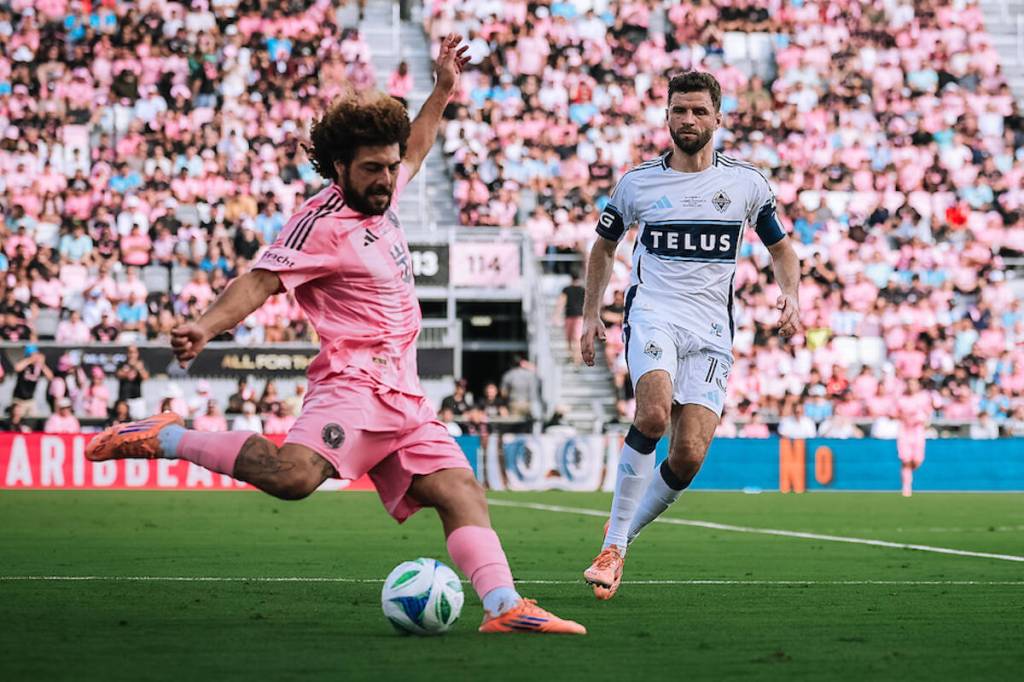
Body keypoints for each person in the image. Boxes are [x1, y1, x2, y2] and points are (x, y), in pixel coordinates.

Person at [85, 35, 583, 636]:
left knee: (460, 490)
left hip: (404, 392)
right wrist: (204, 325)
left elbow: (419, 143)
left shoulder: (387, 186)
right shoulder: (318, 223)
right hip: (352, 383)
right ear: (339, 166)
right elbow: (261, 280)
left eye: (390, 166)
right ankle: (167, 438)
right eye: (372, 168)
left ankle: (504, 607)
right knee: (293, 479)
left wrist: (444, 90)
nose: (386, 178)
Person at [579, 72, 802, 600]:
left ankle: (618, 543)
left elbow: (781, 249)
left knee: (688, 456)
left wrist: (792, 293)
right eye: (679, 111)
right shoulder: (637, 184)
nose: (688, 120)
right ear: (667, 117)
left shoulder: (747, 184)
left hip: (711, 331)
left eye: (699, 111)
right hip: (654, 313)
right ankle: (612, 543)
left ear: (718, 118)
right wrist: (591, 313)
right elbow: (603, 249)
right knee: (653, 414)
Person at [896, 379, 931, 497]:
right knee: (905, 460)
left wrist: (925, 420)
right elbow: (894, 413)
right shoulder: (901, 399)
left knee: (917, 459)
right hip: (905, 430)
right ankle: (906, 486)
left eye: (913, 384)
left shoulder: (924, 397)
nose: (911, 386)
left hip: (918, 430)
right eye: (909, 384)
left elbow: (929, 413)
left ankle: (909, 472)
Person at [12, 345, 53, 417]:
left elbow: (50, 377)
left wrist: (42, 364)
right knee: (17, 419)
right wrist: (30, 360)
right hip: (19, 399)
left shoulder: (38, 366)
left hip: (30, 399)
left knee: (34, 419)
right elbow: (17, 368)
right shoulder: (25, 363)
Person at [557, 272, 586, 364]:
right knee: (576, 338)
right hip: (580, 316)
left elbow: (561, 302)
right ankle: (576, 358)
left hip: (569, 316)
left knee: (570, 338)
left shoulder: (566, 289)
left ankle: (574, 357)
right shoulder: (583, 289)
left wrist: (556, 315)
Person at [116, 345, 149, 418]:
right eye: (130, 352)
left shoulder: (141, 364)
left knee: (139, 422)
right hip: (124, 399)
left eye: (134, 352)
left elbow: (145, 377)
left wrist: (139, 369)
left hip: (137, 399)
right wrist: (128, 369)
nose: (132, 355)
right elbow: (118, 374)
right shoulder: (122, 364)